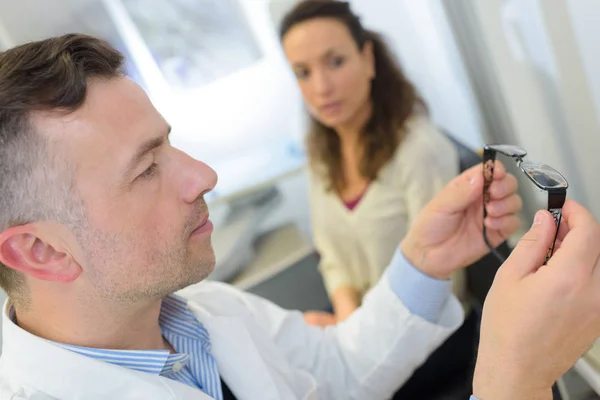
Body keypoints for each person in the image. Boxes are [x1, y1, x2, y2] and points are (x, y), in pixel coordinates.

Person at [0, 34, 599, 400]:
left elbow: (338, 375)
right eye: (145, 169)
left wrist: (424, 261)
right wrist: (513, 383)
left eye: (169, 144)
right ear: (41, 250)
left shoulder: (207, 314)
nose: (203, 176)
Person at [279, 0, 463, 327]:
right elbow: (333, 260)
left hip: (421, 333)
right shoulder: (321, 153)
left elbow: (444, 281)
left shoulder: (421, 151)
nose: (321, 88)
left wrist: (356, 340)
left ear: (367, 59)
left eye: (335, 62)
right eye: (303, 72)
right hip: (362, 328)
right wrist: (347, 322)